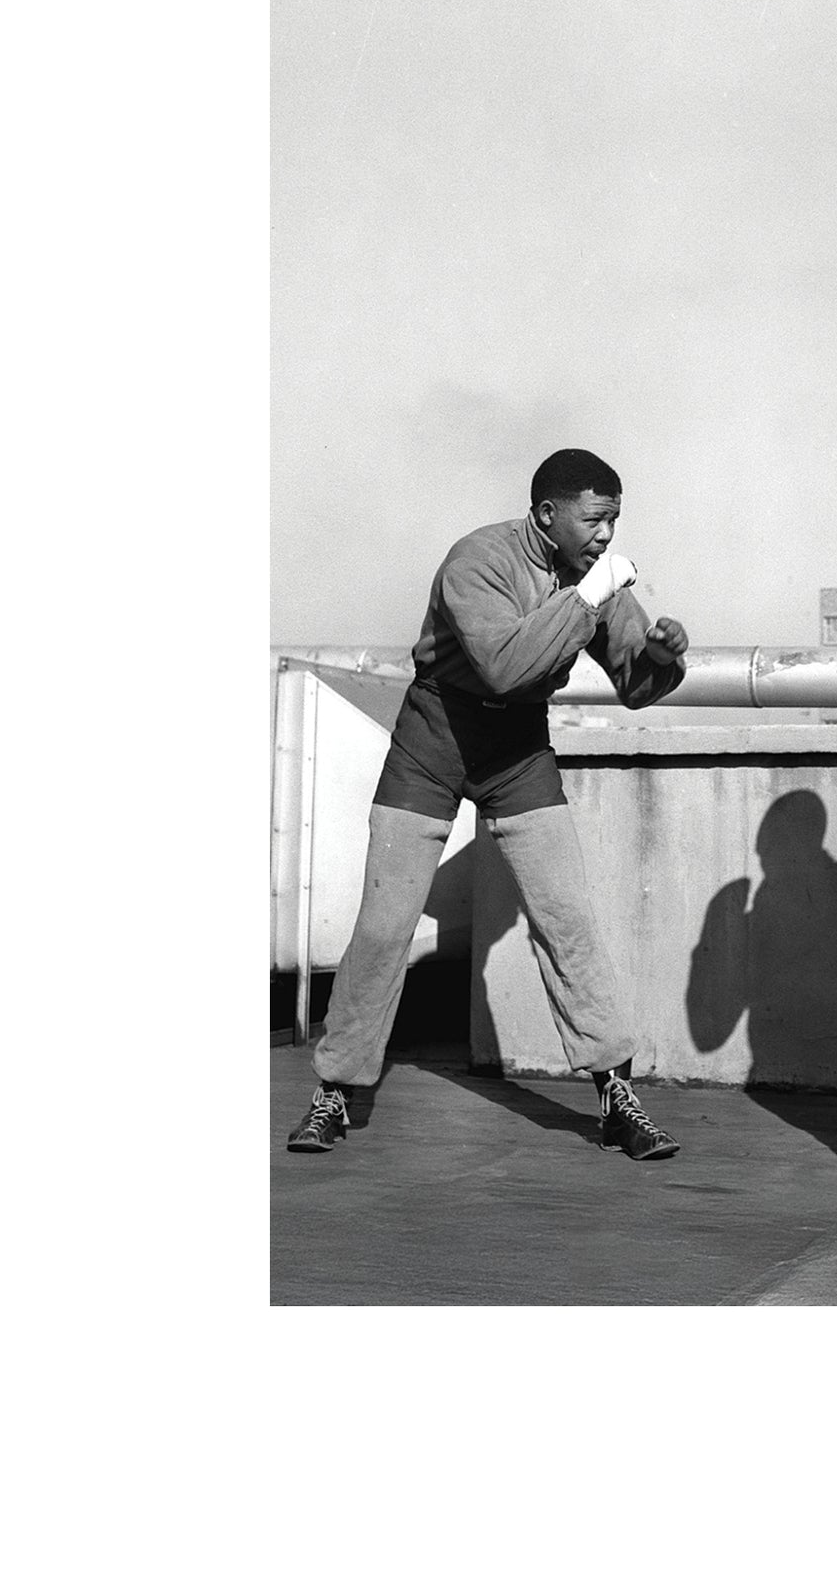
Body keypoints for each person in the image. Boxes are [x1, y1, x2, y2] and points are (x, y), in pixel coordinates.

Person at [285, 448, 690, 1163]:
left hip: (517, 750)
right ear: (547, 515)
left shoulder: (592, 575)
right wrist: (588, 597)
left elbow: (634, 684)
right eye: (595, 520)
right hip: (433, 741)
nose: (606, 535)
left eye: (614, 521)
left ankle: (616, 1098)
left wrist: (660, 657)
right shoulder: (476, 560)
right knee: (384, 927)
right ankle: (335, 1091)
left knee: (567, 920)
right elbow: (502, 664)